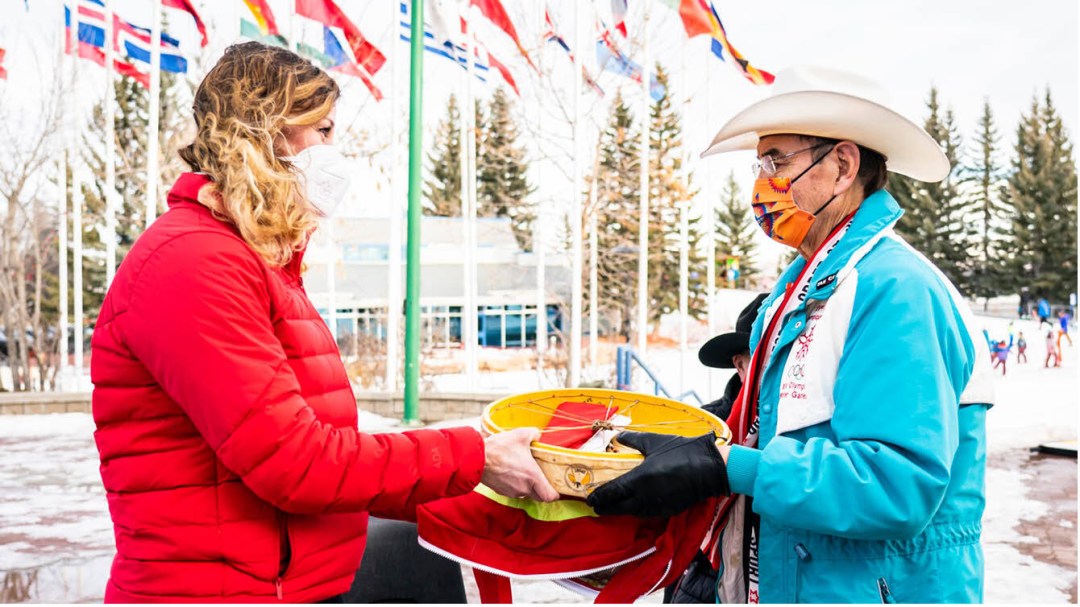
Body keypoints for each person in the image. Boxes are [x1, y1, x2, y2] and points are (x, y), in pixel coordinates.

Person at [89, 42, 558, 603]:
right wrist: (476, 456)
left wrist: (487, 486)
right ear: (265, 132)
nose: (336, 153)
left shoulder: (253, 261)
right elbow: (297, 464)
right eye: (325, 130)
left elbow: (330, 461)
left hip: (285, 584)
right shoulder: (196, 262)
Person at [585, 66, 994, 603]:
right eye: (759, 163)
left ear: (843, 166)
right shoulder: (801, 285)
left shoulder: (895, 289)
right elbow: (780, 427)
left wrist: (726, 466)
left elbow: (897, 486)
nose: (760, 184)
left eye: (777, 161)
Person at [663, 293, 766, 604]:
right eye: (767, 356)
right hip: (707, 584)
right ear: (741, 365)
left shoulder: (814, 424)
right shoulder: (701, 426)